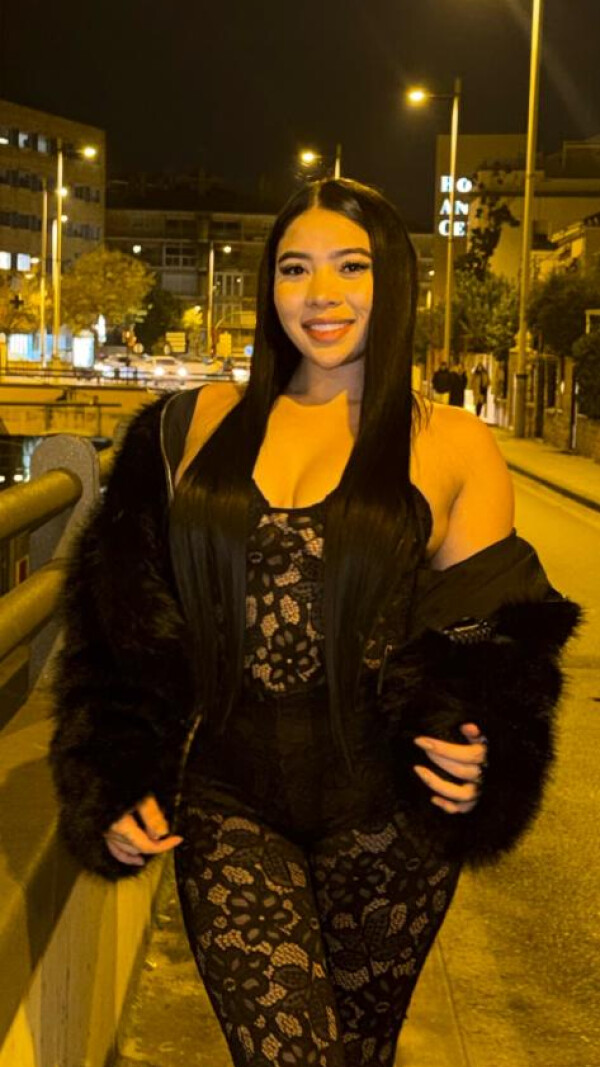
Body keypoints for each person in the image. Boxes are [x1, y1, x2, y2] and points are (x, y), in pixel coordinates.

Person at [50, 179, 579, 1067]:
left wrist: (486, 744)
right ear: (270, 285)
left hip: (390, 818)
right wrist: (111, 772)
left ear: (394, 281)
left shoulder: (451, 443)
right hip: (227, 802)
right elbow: (118, 621)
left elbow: (494, 636)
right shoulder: (190, 424)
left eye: (351, 267)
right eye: (296, 268)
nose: (321, 294)